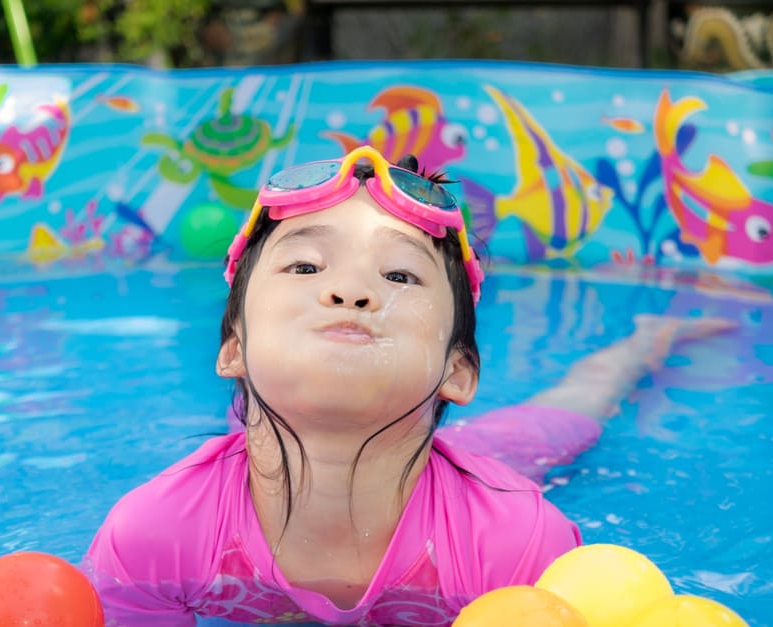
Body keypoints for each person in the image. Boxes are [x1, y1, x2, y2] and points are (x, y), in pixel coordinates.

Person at [82, 146, 734, 626]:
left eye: (398, 275)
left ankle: (646, 340)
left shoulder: (516, 543)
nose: (350, 290)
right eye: (306, 264)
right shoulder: (156, 535)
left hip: (475, 475)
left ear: (459, 369)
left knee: (576, 408)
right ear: (233, 349)